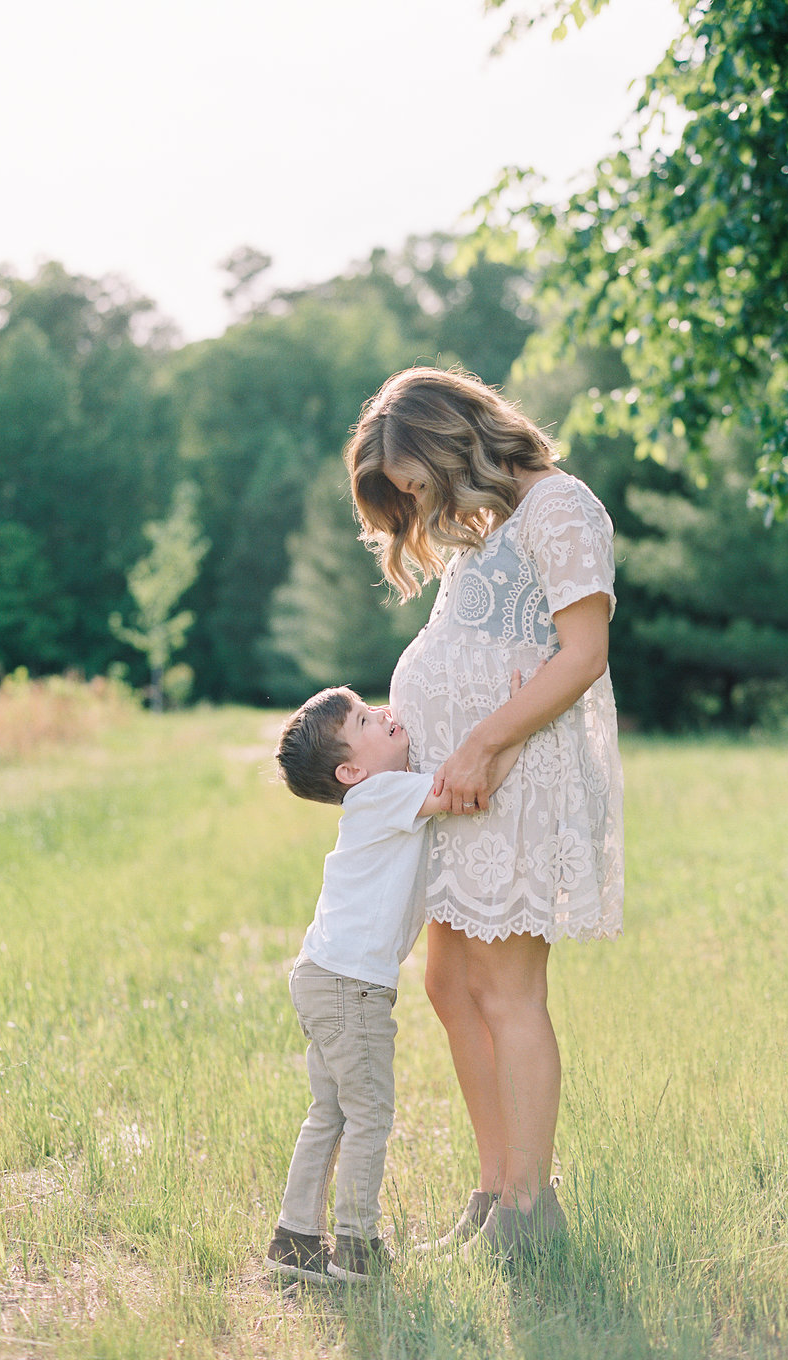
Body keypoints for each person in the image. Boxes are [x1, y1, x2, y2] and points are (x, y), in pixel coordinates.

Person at [345, 366, 624, 1259]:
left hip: (509, 779)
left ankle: (529, 1213)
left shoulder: (560, 506)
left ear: (453, 438)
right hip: (454, 789)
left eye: (418, 484)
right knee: (446, 984)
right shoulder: (486, 527)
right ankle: (495, 1187)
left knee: (508, 990)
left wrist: (477, 746)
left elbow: (579, 656)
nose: (419, 507)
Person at [265, 680, 524, 1284]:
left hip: (323, 975)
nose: (381, 712)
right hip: (350, 985)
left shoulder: (375, 797)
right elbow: (473, 790)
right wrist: (514, 728)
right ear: (354, 772)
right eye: (362, 719)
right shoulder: (384, 796)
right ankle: (356, 1246)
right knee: (369, 1114)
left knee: (329, 1112)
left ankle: (296, 1239)